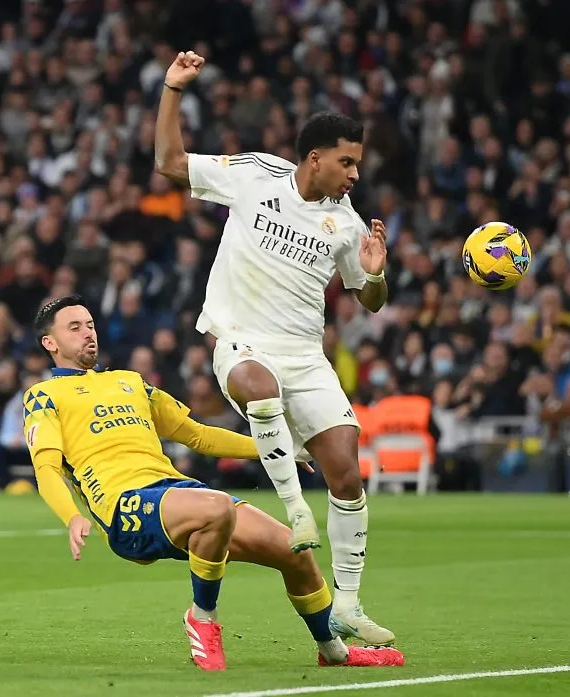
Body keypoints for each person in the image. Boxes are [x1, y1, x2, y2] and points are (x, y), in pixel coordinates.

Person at [24, 295, 404, 672]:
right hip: (125, 508)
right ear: (50, 343)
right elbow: (45, 467)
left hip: (176, 492)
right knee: (217, 506)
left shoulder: (130, 382)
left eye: (89, 325)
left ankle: (333, 650)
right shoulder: (43, 396)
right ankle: (203, 617)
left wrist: (276, 449)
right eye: (74, 328)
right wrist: (71, 516)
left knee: (295, 550)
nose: (87, 334)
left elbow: (197, 435)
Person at [154, 50, 394, 646]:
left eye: (357, 164)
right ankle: (295, 511)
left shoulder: (347, 223)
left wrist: (376, 272)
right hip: (240, 340)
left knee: (346, 468)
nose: (354, 174)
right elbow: (168, 163)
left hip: (305, 355)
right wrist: (173, 90)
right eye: (347, 162)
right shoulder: (256, 173)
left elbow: (371, 301)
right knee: (259, 386)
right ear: (315, 157)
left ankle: (348, 605)